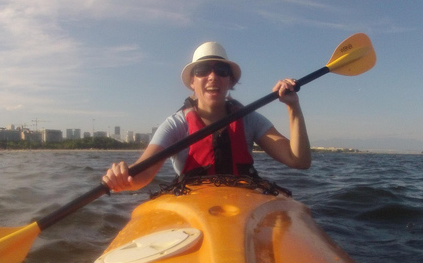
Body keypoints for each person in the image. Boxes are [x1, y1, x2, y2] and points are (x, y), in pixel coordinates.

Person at [102, 41, 311, 192]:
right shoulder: (176, 125)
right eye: (202, 70)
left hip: (243, 204)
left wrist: (293, 108)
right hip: (194, 208)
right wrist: (123, 178)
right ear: (193, 82)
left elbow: (299, 160)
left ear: (230, 82)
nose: (212, 76)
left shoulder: (250, 120)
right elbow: (142, 175)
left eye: (221, 70)